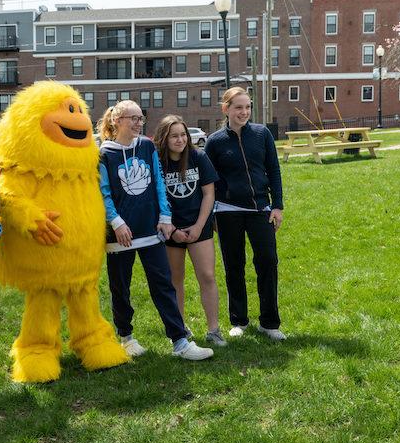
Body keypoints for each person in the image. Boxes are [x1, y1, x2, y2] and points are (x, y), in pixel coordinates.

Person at [98, 100, 213, 361]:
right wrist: (116, 222)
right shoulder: (103, 154)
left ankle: (180, 341)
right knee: (121, 288)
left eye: (141, 118)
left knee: (163, 285)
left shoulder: (148, 146)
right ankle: (126, 337)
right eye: (133, 118)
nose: (139, 123)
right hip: (121, 236)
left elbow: (159, 183)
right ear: (117, 121)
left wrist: (165, 216)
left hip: (151, 231)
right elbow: (103, 193)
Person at [203, 87, 286, 341]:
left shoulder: (262, 135)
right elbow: (209, 183)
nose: (244, 112)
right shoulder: (214, 142)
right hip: (228, 213)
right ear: (226, 109)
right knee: (234, 265)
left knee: (268, 261)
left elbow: (273, 170)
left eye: (248, 106)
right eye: (239, 107)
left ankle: (269, 323)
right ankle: (239, 320)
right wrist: (213, 214)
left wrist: (277, 205)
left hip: (261, 210)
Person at [152, 115, 226, 347]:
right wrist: (172, 230)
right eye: (174, 135)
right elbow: (153, 197)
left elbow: (209, 194)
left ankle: (214, 330)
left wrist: (198, 226)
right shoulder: (157, 162)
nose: (180, 139)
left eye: (183, 135)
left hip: (198, 227)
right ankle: (180, 329)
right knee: (175, 280)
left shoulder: (198, 157)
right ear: (164, 138)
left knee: (207, 276)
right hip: (170, 229)